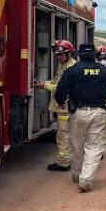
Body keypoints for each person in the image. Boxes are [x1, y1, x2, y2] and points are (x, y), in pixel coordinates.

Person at [55, 43, 106, 192]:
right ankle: (86, 179)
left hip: (78, 112)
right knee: (94, 147)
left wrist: (60, 102)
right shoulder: (105, 71)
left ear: (79, 55)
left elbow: (61, 89)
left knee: (76, 145)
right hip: (99, 112)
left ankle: (76, 175)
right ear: (95, 55)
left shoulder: (72, 71)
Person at [34, 40, 76, 171]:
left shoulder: (71, 68)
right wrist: (44, 82)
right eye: (57, 54)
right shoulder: (62, 66)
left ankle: (63, 163)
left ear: (69, 54)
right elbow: (55, 81)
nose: (58, 57)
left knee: (63, 135)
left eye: (61, 55)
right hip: (61, 107)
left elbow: (63, 88)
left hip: (65, 107)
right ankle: (65, 160)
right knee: (63, 135)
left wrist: (45, 86)